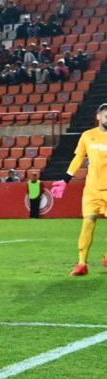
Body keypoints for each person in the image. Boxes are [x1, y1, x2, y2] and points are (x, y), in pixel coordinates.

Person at [52, 104, 107, 276]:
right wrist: (66, 179)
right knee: (87, 224)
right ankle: (82, 264)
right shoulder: (87, 136)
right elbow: (78, 158)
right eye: (105, 114)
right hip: (92, 190)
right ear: (98, 116)